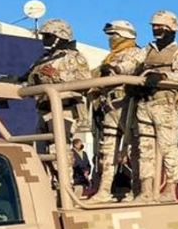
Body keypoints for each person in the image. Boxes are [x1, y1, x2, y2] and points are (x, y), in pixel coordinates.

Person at [134, 10, 178, 202]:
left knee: (168, 147)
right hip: (145, 102)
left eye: (161, 27)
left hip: (164, 104)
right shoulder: (146, 50)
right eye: (154, 27)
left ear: (171, 29)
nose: (156, 30)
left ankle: (170, 189)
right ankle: (146, 189)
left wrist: (164, 76)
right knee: (145, 148)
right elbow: (131, 63)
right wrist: (115, 69)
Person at [89, 20, 146, 203]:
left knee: (134, 149)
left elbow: (121, 71)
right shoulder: (111, 56)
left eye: (114, 35)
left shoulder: (136, 52)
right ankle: (104, 189)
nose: (111, 39)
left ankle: (137, 189)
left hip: (127, 102)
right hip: (110, 103)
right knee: (108, 149)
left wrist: (109, 71)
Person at [23, 19, 90, 167]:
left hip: (64, 109)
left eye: (48, 36)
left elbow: (85, 82)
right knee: (41, 151)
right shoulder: (44, 59)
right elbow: (30, 79)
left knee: (58, 150)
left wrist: (57, 75)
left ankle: (65, 186)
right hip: (44, 109)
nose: (44, 40)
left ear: (60, 36)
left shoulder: (73, 57)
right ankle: (50, 184)